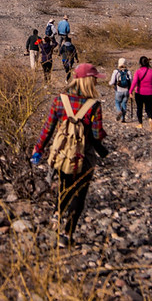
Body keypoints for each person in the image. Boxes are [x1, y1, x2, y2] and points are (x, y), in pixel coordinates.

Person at [30, 63, 108, 247]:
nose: (96, 81)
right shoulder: (94, 106)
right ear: (88, 81)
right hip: (85, 157)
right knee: (79, 196)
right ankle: (67, 234)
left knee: (64, 188)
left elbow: (48, 128)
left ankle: (56, 216)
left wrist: (38, 149)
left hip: (63, 154)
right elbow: (97, 135)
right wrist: (101, 134)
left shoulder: (60, 100)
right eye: (95, 78)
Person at [129, 56, 152, 130]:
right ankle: (150, 119)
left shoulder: (138, 72)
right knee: (149, 108)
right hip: (150, 93)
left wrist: (130, 91)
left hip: (139, 93)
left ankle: (140, 123)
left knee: (139, 108)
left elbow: (134, 82)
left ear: (140, 64)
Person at [108, 58, 131, 122]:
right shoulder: (128, 72)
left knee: (117, 102)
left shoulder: (116, 71)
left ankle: (119, 111)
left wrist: (109, 83)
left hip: (118, 91)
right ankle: (123, 119)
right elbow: (131, 82)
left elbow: (112, 82)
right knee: (124, 104)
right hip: (126, 91)